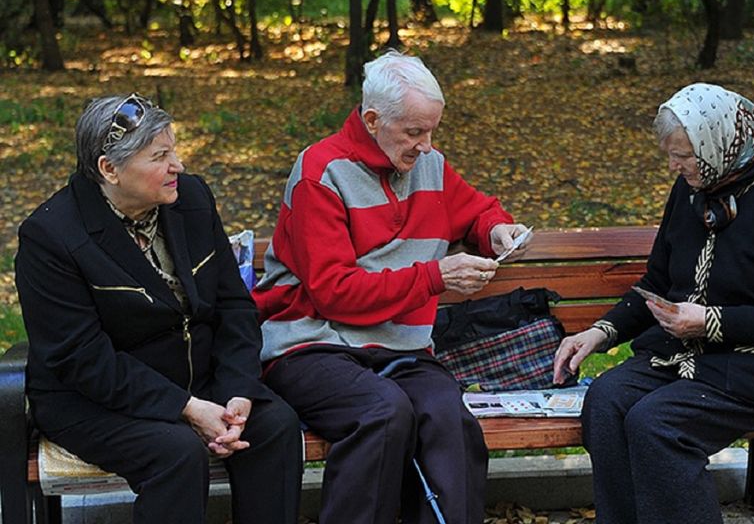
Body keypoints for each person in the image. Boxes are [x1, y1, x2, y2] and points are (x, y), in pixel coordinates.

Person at [553, 83, 754, 524]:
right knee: (607, 399)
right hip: (692, 355)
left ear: (718, 143)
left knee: (657, 424)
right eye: (671, 155)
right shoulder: (696, 185)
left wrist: (712, 322)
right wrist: (601, 332)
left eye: (684, 155)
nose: (675, 166)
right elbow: (657, 279)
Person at [254, 50, 530, 524]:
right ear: (373, 120)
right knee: (383, 415)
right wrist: (435, 276)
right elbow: (334, 292)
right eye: (415, 132)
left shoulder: (430, 166)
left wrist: (496, 230)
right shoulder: (321, 171)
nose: (426, 145)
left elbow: (479, 209)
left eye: (432, 131)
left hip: (400, 349)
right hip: (311, 345)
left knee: (451, 421)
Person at [15, 94, 303, 524]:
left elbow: (233, 305)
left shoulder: (191, 198)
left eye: (174, 150)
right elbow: (83, 360)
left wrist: (237, 389)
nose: (178, 166)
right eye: (160, 156)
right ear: (109, 169)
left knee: (274, 426)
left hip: (198, 379)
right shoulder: (51, 237)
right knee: (176, 453)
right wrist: (186, 407)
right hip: (94, 399)